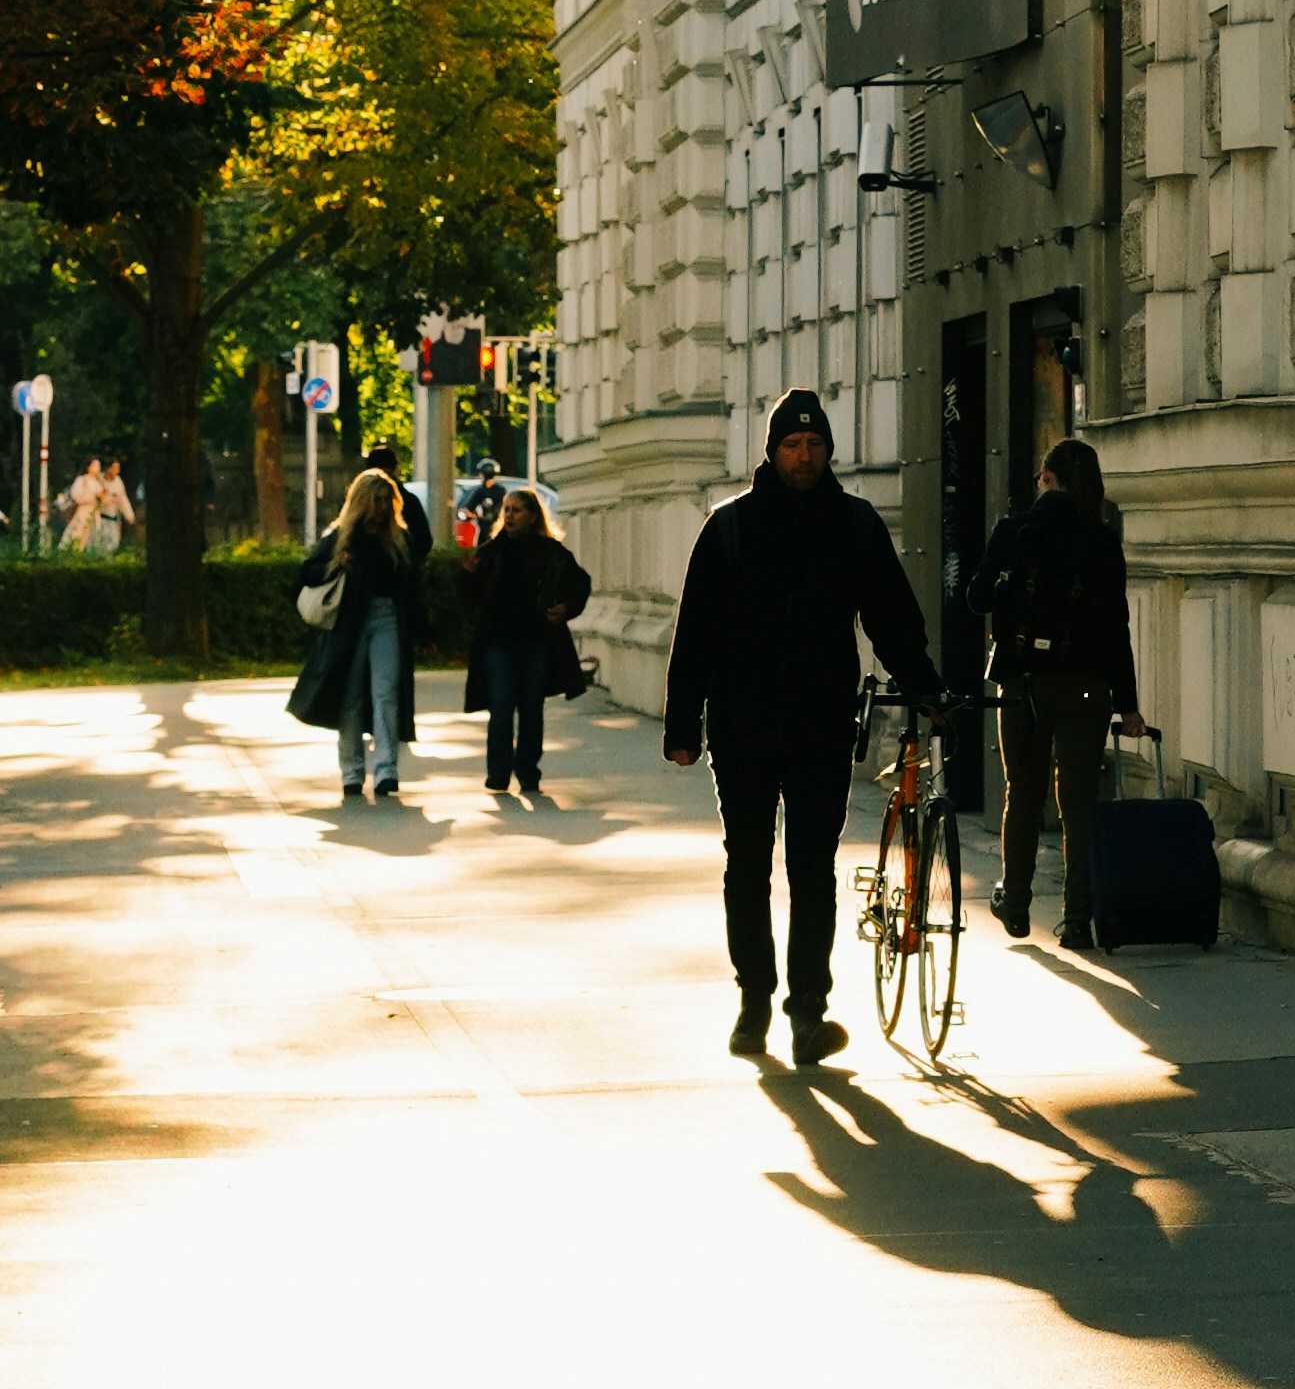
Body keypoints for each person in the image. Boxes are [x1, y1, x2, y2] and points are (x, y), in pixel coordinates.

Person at [661, 385, 938, 1053]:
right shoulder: (729, 527)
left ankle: (807, 1009)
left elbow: (891, 619)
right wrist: (682, 726)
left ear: (828, 451)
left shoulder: (855, 525)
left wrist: (926, 685)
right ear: (773, 451)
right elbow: (694, 630)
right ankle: (753, 999)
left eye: (815, 444)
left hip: (820, 722)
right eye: (792, 444)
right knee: (748, 864)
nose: (804, 455)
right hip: (742, 725)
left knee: (813, 866)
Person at [963, 423, 1139, 944]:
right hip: (1086, 687)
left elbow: (976, 599)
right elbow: (1117, 629)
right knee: (1078, 802)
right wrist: (1128, 706)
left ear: (1046, 478)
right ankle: (1077, 921)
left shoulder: (1014, 531)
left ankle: (1015, 902)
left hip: (1022, 685)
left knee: (1024, 792)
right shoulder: (1104, 542)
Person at [291, 455, 429, 811]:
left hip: (387, 620)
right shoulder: (341, 536)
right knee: (350, 698)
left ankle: (386, 770)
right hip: (350, 624)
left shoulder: (398, 539)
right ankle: (352, 772)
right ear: (361, 500)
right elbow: (307, 572)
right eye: (376, 500)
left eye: (387, 500)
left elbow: (412, 582)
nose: (382, 508)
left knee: (386, 693)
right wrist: (338, 563)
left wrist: (422, 628)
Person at [460, 481, 593, 806]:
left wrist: (565, 608)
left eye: (516, 510)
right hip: (499, 643)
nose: (509, 516)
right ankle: (499, 771)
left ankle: (528, 771)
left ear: (533, 516)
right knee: (501, 705)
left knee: (532, 707)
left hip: (536, 642)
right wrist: (468, 574)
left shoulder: (550, 552)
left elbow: (580, 584)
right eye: (507, 510)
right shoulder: (491, 552)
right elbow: (473, 598)